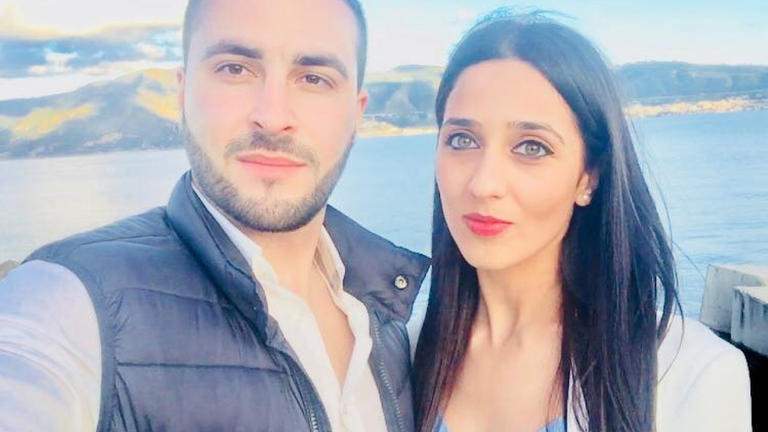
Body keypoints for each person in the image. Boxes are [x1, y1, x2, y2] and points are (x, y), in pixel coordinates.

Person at [0, 0, 429, 431]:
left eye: (314, 78)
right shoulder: (71, 303)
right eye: (235, 69)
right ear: (182, 93)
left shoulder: (387, 319)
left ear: (356, 114)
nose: (273, 117)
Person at [412, 9, 751, 432]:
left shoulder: (687, 373)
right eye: (462, 140)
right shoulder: (400, 357)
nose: (484, 183)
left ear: (589, 176)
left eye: (531, 147)